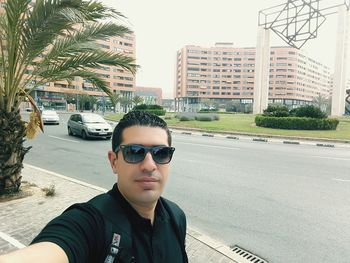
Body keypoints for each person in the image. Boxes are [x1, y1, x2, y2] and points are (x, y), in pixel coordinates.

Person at [0, 111, 188, 263]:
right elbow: (54, 248)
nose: (149, 165)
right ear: (114, 162)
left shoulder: (176, 216)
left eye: (161, 153)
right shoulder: (90, 223)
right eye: (135, 152)